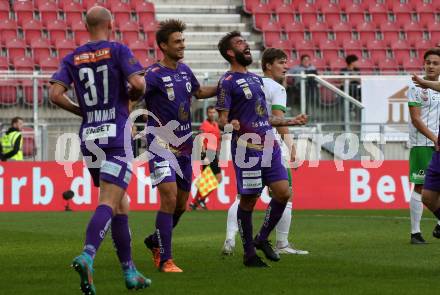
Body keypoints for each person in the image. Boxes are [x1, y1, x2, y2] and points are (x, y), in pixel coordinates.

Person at [49, 6, 151, 294]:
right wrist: (136, 92)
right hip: (117, 135)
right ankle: (88, 255)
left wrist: (81, 110)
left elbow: (55, 94)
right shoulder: (117, 49)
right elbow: (138, 83)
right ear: (111, 24)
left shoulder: (72, 57)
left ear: (86, 26)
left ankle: (130, 271)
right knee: (109, 199)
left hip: (90, 135)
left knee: (120, 203)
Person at [216, 31, 307, 267]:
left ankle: (262, 238)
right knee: (248, 201)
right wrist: (230, 124)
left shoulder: (256, 80)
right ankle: (249, 254)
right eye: (239, 44)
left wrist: (291, 121)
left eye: (245, 42)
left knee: (283, 192)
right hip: (246, 149)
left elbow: (264, 117)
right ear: (230, 52)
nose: (245, 46)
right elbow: (221, 120)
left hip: (269, 145)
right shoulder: (227, 82)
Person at [142, 19, 217, 273]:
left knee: (181, 205)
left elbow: (199, 92)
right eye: (177, 41)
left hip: (185, 146)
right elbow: (134, 96)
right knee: (169, 197)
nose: (182, 45)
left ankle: (156, 241)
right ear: (163, 46)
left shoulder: (184, 71)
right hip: (160, 144)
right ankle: (166, 259)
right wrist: (129, 120)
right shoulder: (152, 75)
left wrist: (224, 86)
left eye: (183, 40)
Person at [407, 48, 440, 244]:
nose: (430, 66)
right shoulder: (415, 87)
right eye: (428, 62)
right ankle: (415, 232)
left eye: (435, 63)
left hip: (438, 144)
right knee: (421, 187)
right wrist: (435, 138)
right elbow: (416, 119)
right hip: (423, 143)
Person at [190, 105, 222, 210]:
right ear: (207, 114)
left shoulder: (216, 125)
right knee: (218, 178)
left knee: (206, 180)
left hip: (213, 154)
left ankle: (196, 202)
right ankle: (200, 200)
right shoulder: (205, 125)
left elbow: (218, 139)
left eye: (213, 112)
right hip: (207, 154)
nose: (212, 114)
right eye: (210, 112)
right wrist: (204, 155)